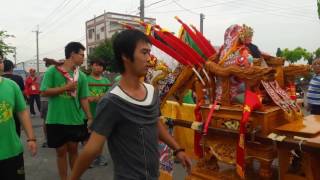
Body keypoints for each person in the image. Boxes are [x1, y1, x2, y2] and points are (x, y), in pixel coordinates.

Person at [70, 29, 192, 180]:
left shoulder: (151, 92)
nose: (150, 58)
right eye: (144, 52)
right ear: (125, 56)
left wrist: (177, 149)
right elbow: (91, 149)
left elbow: (155, 122)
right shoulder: (112, 101)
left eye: (149, 52)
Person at [40, 42, 93, 180]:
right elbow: (44, 91)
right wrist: (65, 88)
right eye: (81, 55)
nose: (83, 58)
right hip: (55, 118)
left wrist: (89, 117)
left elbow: (83, 98)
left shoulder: (81, 76)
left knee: (74, 149)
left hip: (75, 119)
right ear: (72, 54)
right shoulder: (53, 71)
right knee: (61, 151)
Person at [0, 58, 37, 180]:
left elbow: (22, 112)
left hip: (11, 151)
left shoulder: (11, 86)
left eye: (0, 60)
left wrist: (31, 138)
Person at [86, 58, 111, 167]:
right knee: (88, 137)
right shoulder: (85, 80)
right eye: (95, 65)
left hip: (101, 114)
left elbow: (108, 98)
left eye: (100, 65)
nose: (98, 67)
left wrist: (98, 98)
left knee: (100, 138)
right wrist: (95, 98)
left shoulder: (106, 82)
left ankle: (98, 157)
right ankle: (87, 159)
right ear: (91, 66)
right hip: (88, 114)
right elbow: (84, 97)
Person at [2, 59, 25, 136]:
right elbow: (22, 93)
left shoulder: (1, 79)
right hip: (16, 110)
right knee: (16, 131)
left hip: (3, 110)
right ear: (11, 68)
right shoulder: (18, 78)